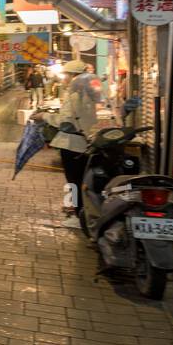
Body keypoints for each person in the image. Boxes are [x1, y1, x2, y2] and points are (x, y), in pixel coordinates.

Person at [53, 59, 101, 226]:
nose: (63, 78)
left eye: (65, 75)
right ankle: (79, 211)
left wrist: (43, 117)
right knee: (80, 179)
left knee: (73, 180)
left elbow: (64, 120)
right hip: (83, 142)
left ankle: (78, 216)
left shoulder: (74, 94)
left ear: (73, 75)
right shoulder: (88, 92)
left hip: (72, 143)